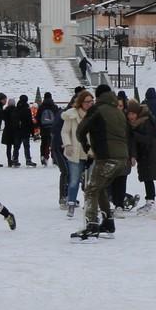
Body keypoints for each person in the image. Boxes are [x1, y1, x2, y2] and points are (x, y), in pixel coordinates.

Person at [72, 85, 129, 240]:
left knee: (90, 189)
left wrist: (85, 145)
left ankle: (91, 225)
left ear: (97, 97)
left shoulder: (97, 109)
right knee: (101, 187)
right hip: (122, 159)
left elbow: (80, 131)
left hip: (106, 158)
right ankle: (108, 223)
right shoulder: (119, 112)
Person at [127, 100, 156, 213]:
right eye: (129, 114)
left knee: (148, 177)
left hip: (150, 154)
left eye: (133, 114)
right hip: (144, 155)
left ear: (138, 113)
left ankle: (150, 201)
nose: (130, 116)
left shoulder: (145, 122)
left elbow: (148, 139)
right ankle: (150, 200)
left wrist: (134, 135)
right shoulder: (136, 124)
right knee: (147, 177)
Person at [61, 89, 92, 217]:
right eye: (87, 102)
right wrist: (67, 144)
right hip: (75, 151)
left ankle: (89, 204)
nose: (90, 104)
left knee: (91, 181)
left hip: (90, 152)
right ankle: (71, 203)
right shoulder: (72, 115)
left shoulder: (94, 114)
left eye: (92, 101)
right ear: (81, 103)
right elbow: (65, 131)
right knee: (74, 180)